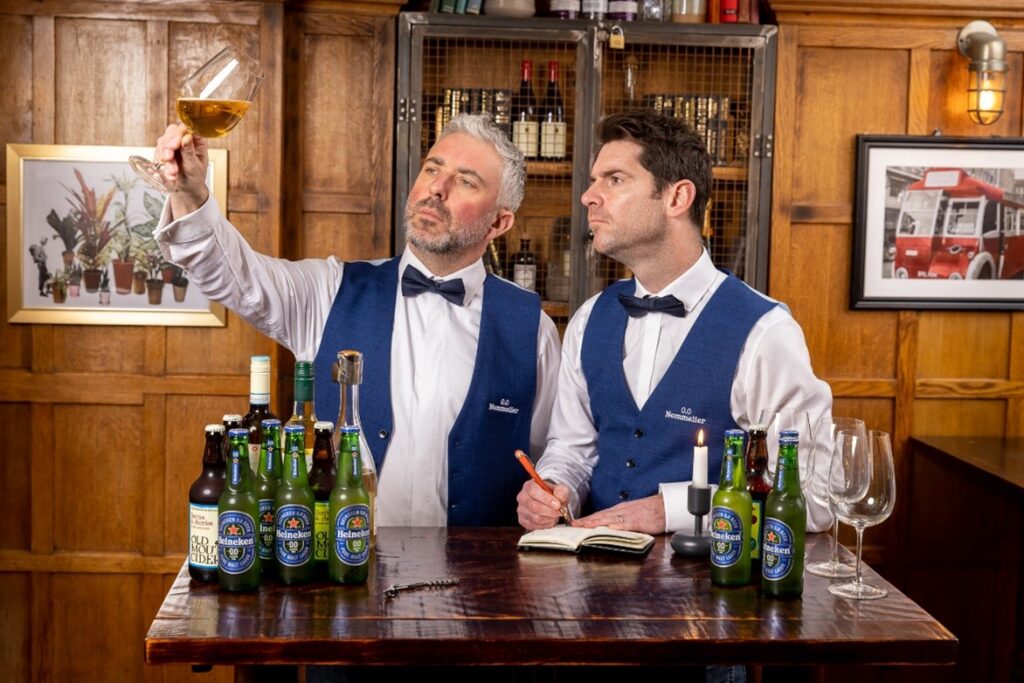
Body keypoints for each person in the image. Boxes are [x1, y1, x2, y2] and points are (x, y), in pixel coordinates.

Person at [154, 113, 560, 527]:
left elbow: (553, 460)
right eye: (432, 169)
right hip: (349, 572)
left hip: (484, 583)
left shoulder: (532, 329)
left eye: (466, 181)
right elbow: (236, 277)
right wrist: (190, 194)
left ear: (499, 222)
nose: (437, 188)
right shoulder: (329, 291)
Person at [517, 110, 833, 535]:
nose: (588, 197)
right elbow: (573, 449)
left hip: (712, 586)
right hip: (592, 584)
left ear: (677, 198)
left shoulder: (765, 333)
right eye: (594, 181)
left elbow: (815, 493)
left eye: (614, 179)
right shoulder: (589, 319)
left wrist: (672, 510)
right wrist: (556, 488)